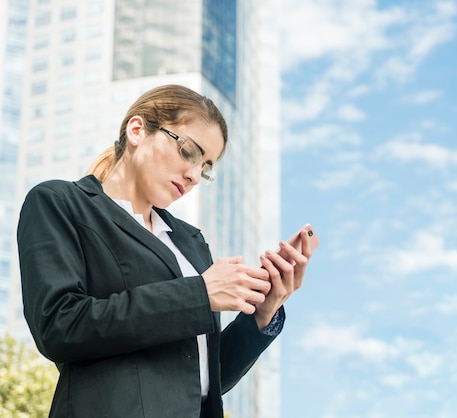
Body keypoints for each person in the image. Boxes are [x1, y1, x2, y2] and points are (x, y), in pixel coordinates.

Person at [17, 84, 314, 418]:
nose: (194, 176)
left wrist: (263, 312)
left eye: (205, 167)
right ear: (137, 130)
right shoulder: (61, 203)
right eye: (189, 152)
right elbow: (59, 326)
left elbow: (204, 377)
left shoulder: (189, 241)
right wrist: (199, 294)